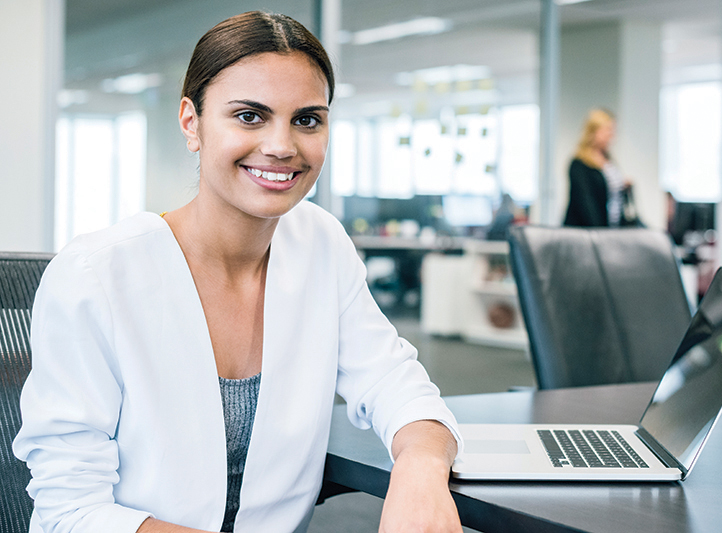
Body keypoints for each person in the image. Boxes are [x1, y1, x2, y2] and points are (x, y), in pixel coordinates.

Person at [13, 12, 462, 533]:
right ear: (191, 122)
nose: (282, 146)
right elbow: (71, 510)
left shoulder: (321, 244)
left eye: (307, 119)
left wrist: (420, 470)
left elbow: (399, 386)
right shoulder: (95, 275)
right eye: (250, 116)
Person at [563, 108, 636, 227]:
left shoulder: (609, 160)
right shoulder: (579, 164)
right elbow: (585, 204)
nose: (612, 135)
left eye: (613, 131)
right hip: (587, 232)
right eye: (608, 130)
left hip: (611, 228)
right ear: (594, 131)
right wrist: (600, 234)